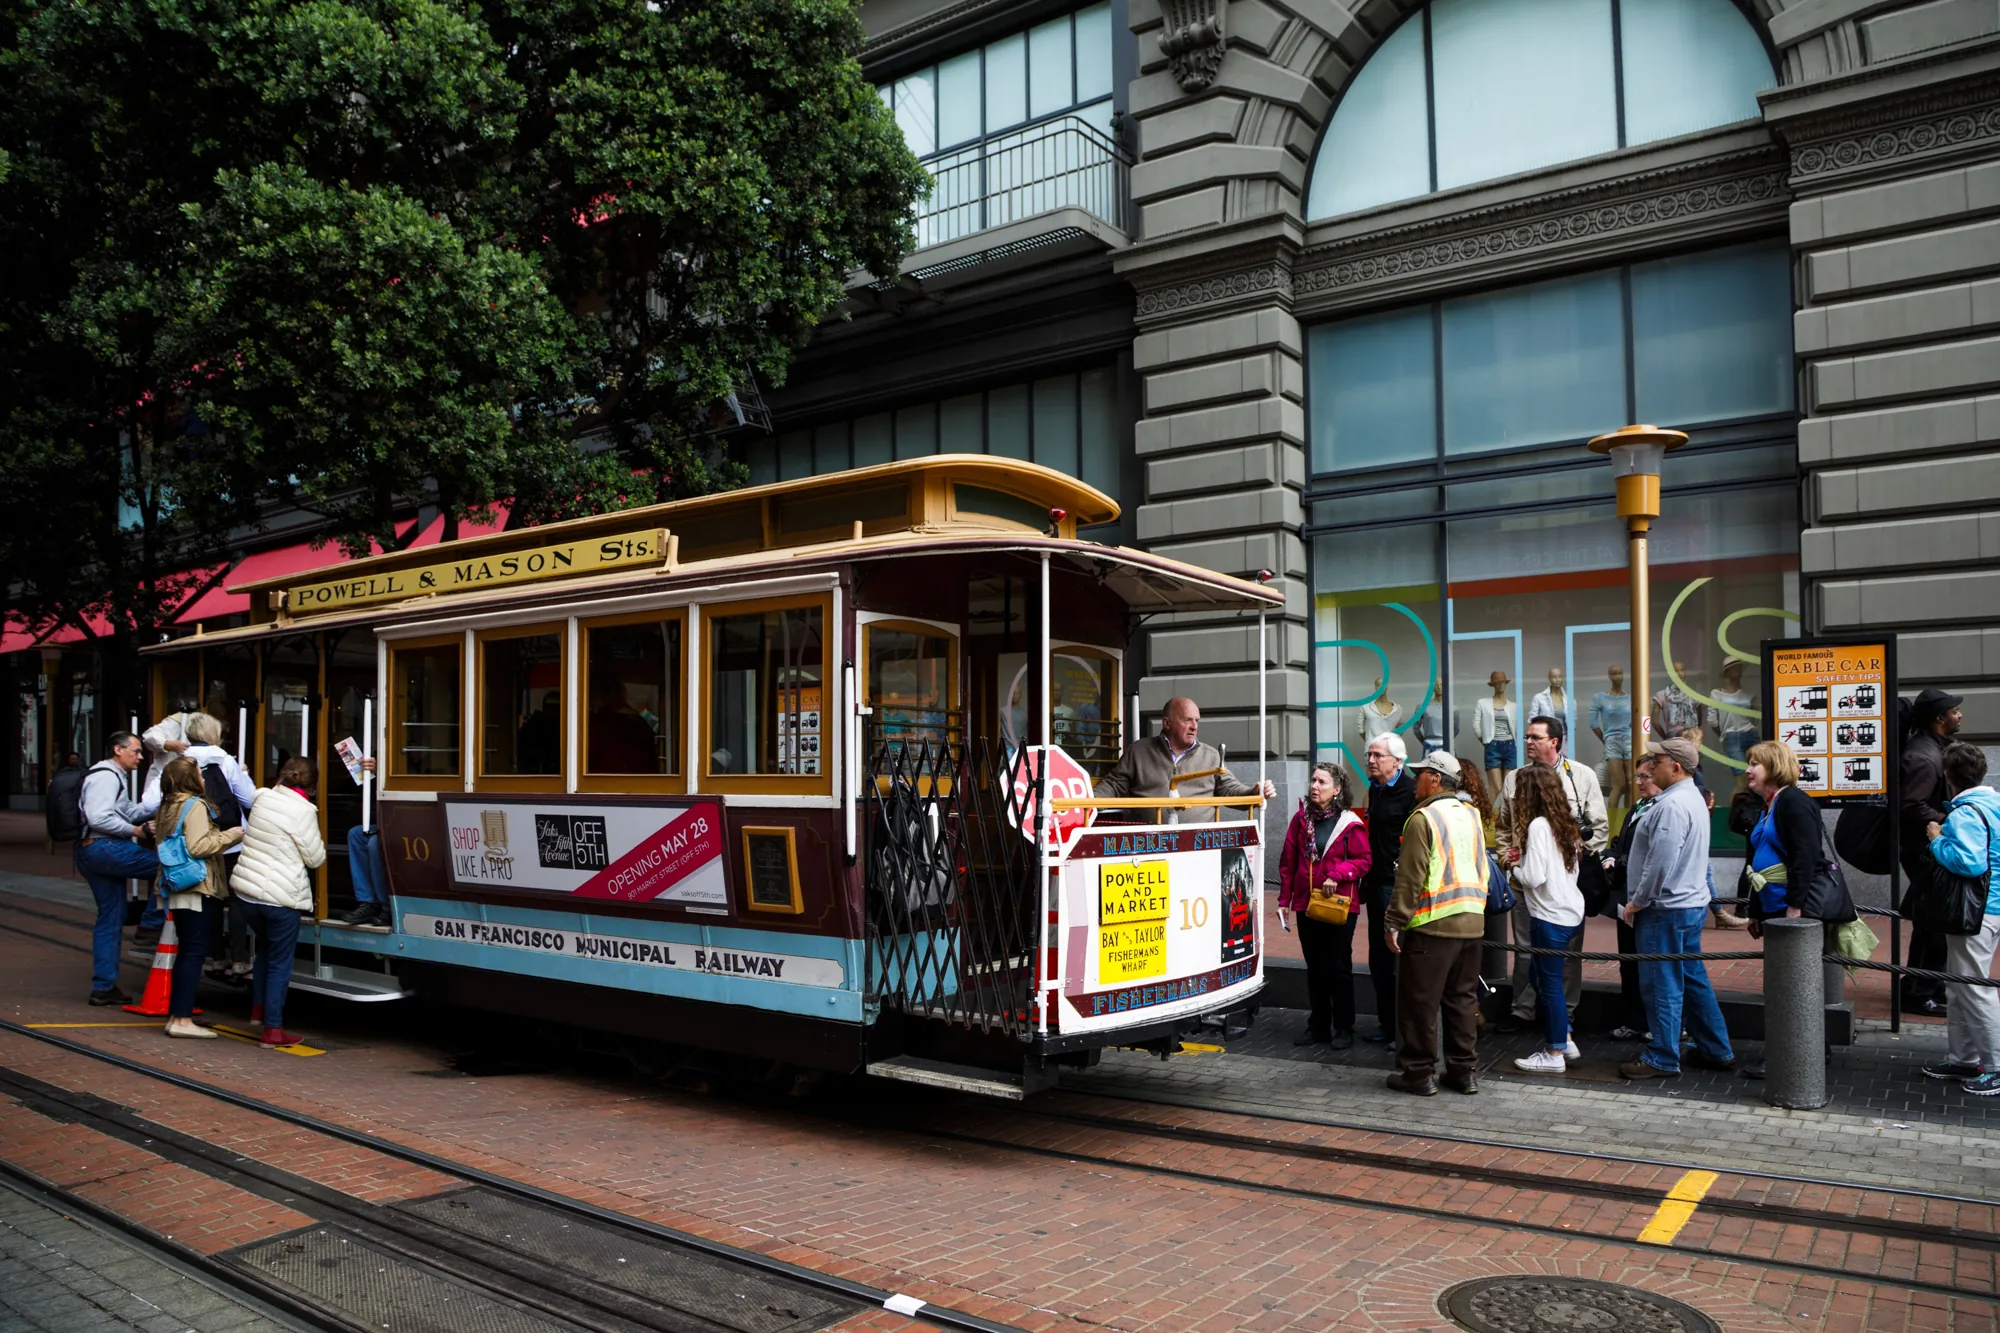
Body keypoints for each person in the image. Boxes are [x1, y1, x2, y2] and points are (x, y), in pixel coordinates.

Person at [1619, 738, 1735, 1079]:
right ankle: (1716, 1048)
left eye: (1657, 761)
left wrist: (1638, 901)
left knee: (1661, 982)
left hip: (1665, 909)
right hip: (1687, 904)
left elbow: (1660, 863)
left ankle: (1662, 1056)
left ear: (1677, 767)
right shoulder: (1692, 798)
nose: (1651, 767)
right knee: (1691, 977)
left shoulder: (1670, 805)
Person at [1383, 751, 1488, 1096]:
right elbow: (1481, 868)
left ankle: (1418, 1074)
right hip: (1472, 921)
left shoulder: (1423, 818)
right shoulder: (1471, 815)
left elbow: (1410, 878)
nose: (1416, 780)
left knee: (1419, 1004)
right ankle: (1464, 1073)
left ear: (1437, 779)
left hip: (1433, 925)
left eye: (1422, 774)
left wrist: (1394, 921)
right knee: (1462, 1001)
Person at [1493, 715, 1607, 1034]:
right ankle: (1523, 1009)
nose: (1528, 742)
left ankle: (1564, 1013)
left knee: (1567, 953)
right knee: (1525, 950)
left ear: (1553, 742)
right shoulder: (1514, 778)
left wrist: (1566, 860)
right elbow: (1503, 826)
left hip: (1563, 887)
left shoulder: (1581, 776)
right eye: (1526, 737)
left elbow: (1598, 829)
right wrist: (1505, 857)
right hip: (1522, 883)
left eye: (1535, 737)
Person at [232, 756, 327, 1047]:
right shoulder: (304, 811)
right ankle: (273, 1030)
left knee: (265, 950)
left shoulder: (262, 797)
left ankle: (258, 1010)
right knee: (280, 963)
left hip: (247, 894)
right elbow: (315, 858)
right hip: (281, 899)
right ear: (311, 786)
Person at [1924, 742, 2000, 1094]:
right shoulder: (1994, 804)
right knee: (1960, 986)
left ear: (1948, 776)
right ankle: (1964, 1059)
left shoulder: (1966, 812)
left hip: (1975, 912)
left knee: (1972, 987)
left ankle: (1995, 1066)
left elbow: (1969, 863)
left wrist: (1937, 839)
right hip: (1990, 909)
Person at [1279, 762, 1371, 1049]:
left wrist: (1339, 874)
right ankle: (1318, 1025)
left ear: (1337, 789)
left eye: (1322, 782)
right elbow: (1288, 863)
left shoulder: (1348, 823)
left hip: (1339, 905)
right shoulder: (1300, 820)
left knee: (1339, 967)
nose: (1314, 786)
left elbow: (1364, 860)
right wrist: (1284, 901)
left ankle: (1344, 1028)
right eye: (1313, 781)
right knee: (1315, 968)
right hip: (1307, 905)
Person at [153, 756, 242, 1039]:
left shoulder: (168, 805)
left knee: (187, 952)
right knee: (194, 953)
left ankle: (176, 1016)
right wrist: (231, 836)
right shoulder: (195, 805)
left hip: (176, 887)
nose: (204, 779)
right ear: (191, 779)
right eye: (200, 775)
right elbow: (198, 845)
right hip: (197, 888)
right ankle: (182, 1019)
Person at [1506, 764, 1586, 1074]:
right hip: (1569, 911)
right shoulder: (1562, 822)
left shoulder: (1538, 825)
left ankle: (1553, 1053)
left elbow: (1534, 877)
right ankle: (1563, 1038)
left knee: (1549, 984)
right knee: (1542, 978)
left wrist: (1512, 868)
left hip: (1549, 915)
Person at [74, 733, 161, 1006]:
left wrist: (152, 810)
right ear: (117, 749)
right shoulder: (105, 776)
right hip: (105, 848)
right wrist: (136, 830)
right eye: (135, 751)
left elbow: (124, 811)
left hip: (94, 851)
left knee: (111, 917)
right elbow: (99, 817)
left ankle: (104, 987)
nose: (140, 756)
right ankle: (150, 923)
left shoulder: (114, 776)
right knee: (169, 866)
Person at [1094, 696, 1276, 823]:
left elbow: (1229, 789)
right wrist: (1084, 802)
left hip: (1198, 847)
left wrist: (1254, 791)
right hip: (1147, 847)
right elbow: (1114, 785)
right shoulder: (1139, 751)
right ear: (1167, 723)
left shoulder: (1211, 755)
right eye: (1187, 720)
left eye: (1197, 721)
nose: (1194, 727)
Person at [1901, 688, 1964, 1017]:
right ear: (1939, 718)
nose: (1959, 715)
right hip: (1925, 850)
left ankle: (1922, 985)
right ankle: (1919, 991)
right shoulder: (1924, 756)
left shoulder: (1936, 749)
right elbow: (1912, 804)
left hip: (1931, 849)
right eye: (1954, 711)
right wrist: (1951, 820)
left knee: (1930, 923)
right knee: (1935, 923)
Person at [183, 712, 258, 982]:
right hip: (229, 841)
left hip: (195, 842)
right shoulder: (224, 760)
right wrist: (245, 774)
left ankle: (216, 957)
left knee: (209, 899)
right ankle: (239, 960)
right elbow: (248, 798)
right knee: (236, 898)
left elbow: (153, 801)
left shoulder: (179, 760)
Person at [1359, 734, 1417, 1043]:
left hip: (1396, 886)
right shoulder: (1375, 789)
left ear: (1397, 761)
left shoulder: (1409, 791)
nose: (1370, 760)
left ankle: (1400, 1029)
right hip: (1376, 882)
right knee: (1378, 959)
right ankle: (1386, 1025)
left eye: (1377, 755)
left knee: (1395, 958)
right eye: (1369, 755)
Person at [1601, 757, 1664, 1040]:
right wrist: (1612, 856)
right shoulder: (1636, 807)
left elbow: (1654, 854)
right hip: (1625, 895)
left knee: (1651, 964)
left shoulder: (1663, 808)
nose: (1639, 783)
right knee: (1629, 961)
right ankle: (1635, 1019)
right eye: (1637, 777)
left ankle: (1655, 1024)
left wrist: (1621, 861)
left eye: (1645, 777)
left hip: (1647, 898)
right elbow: (1620, 841)